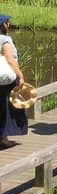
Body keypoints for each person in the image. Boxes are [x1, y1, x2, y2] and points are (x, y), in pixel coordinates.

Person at [0, 14, 28, 148]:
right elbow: (10, 60)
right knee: (8, 107)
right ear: (3, 25)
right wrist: (20, 76)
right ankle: (4, 138)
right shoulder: (4, 40)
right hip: (6, 79)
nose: (8, 24)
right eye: (7, 22)